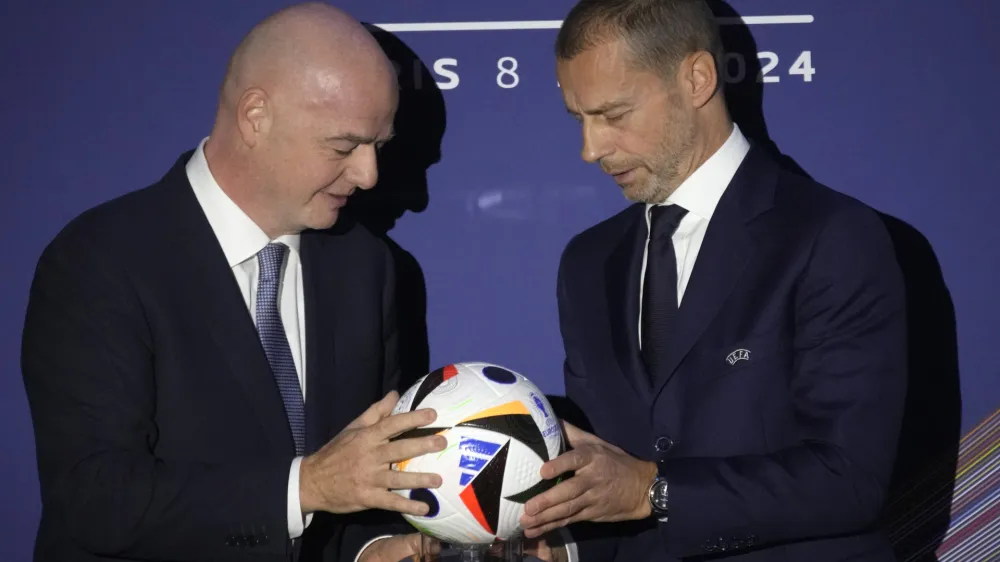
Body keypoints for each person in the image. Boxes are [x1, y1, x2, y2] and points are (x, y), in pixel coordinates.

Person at [20, 3, 446, 561]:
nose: (369, 175)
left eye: (379, 147)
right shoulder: (100, 260)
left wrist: (374, 550)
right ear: (255, 116)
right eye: (343, 147)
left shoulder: (367, 266)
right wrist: (308, 485)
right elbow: (97, 497)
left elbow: (364, 491)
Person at [519, 0, 908, 560]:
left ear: (697, 78)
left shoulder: (831, 236)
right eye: (578, 118)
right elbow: (606, 467)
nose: (590, 149)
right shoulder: (587, 262)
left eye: (613, 114)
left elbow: (848, 477)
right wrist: (567, 541)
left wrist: (652, 491)